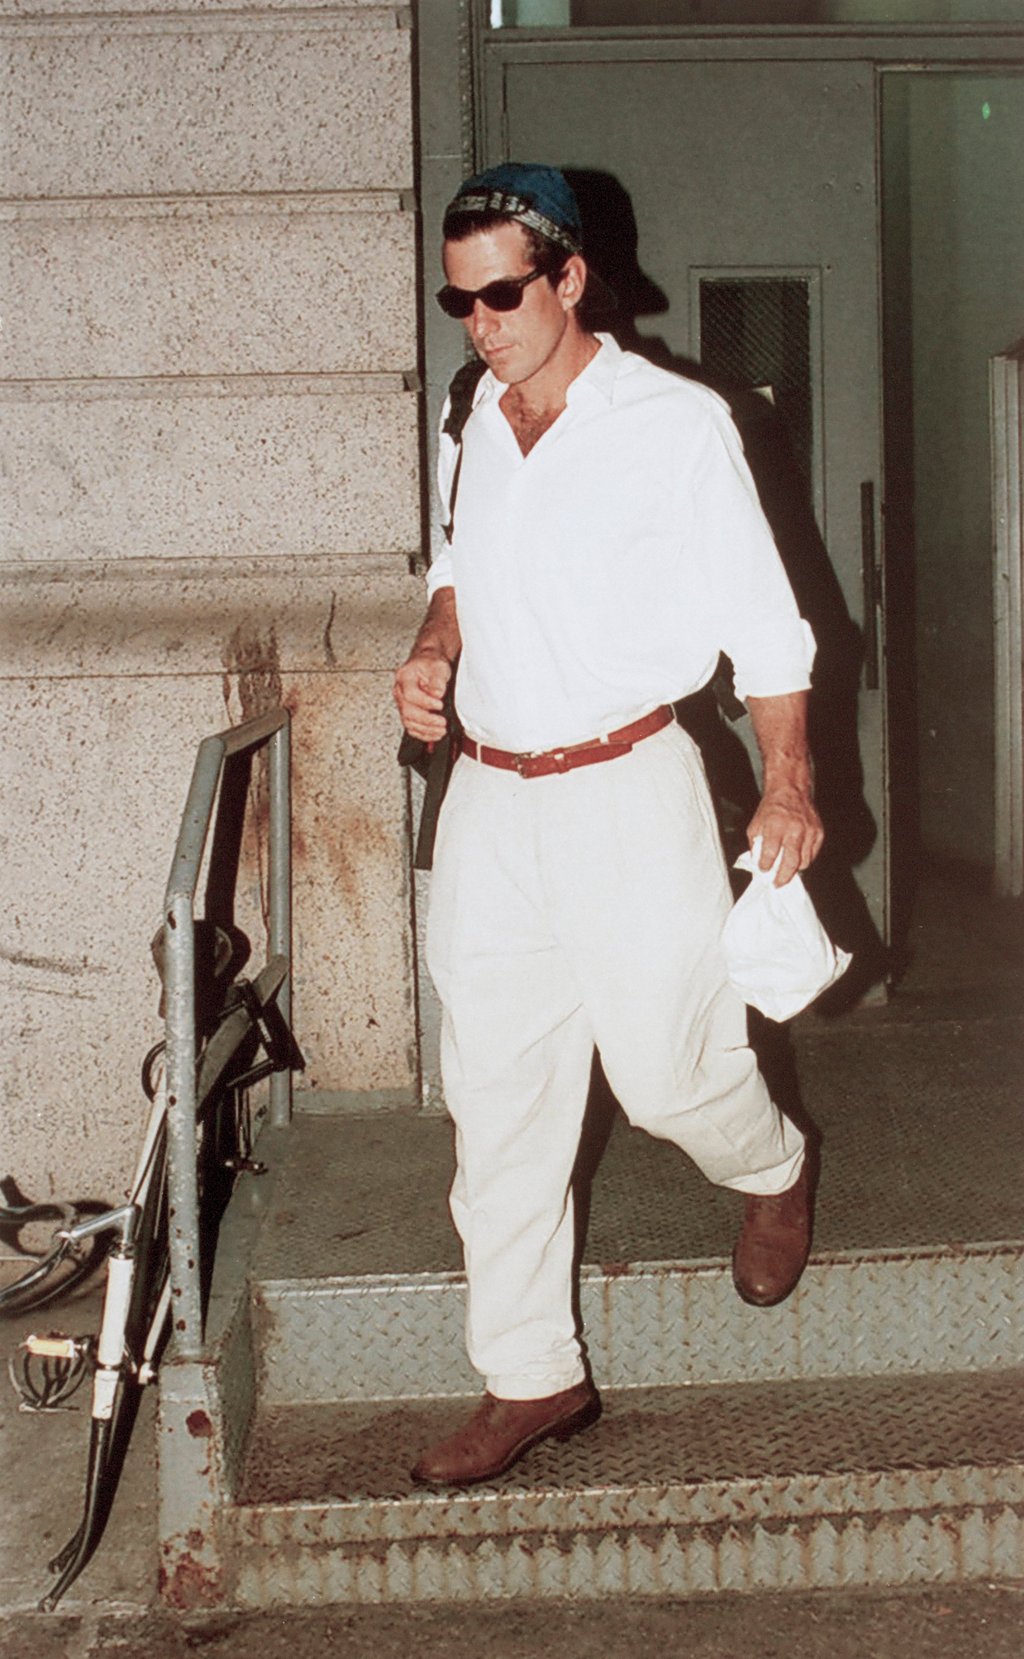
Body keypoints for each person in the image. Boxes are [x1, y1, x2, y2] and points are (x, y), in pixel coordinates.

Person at [393, 163, 824, 1487]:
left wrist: (789, 780)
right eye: (460, 302)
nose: (481, 324)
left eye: (504, 295)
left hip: (629, 787)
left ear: (572, 279)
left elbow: (768, 626)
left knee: (669, 1073)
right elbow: (459, 561)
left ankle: (774, 1164)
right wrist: (436, 642)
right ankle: (532, 1374)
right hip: (491, 799)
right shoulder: (473, 409)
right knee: (497, 1098)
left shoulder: (677, 427)